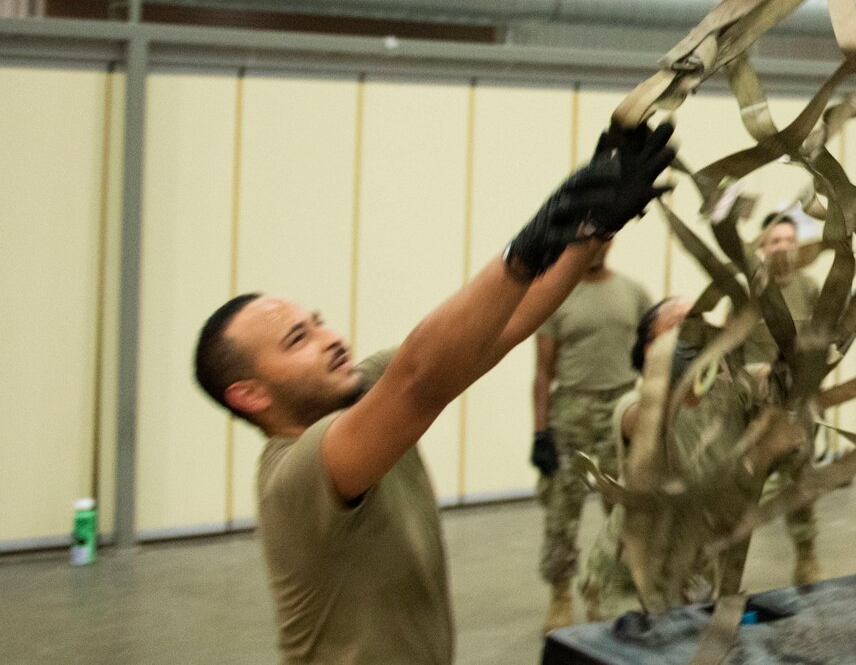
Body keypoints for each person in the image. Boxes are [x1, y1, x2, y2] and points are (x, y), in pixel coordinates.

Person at [191, 119, 676, 665]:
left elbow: (506, 322)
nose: (330, 338)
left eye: (320, 321)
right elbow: (419, 379)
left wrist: (592, 231)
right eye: (298, 338)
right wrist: (524, 251)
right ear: (250, 395)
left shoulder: (366, 390)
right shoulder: (295, 476)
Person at [531, 235, 652, 632]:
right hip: (572, 411)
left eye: (602, 237)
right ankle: (560, 597)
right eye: (586, 238)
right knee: (561, 512)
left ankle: (607, 591)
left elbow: (655, 356)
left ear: (612, 240)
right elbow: (543, 372)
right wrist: (540, 433)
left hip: (621, 410)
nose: (595, 246)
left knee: (624, 509)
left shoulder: (634, 294)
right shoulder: (555, 297)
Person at [578, 295, 691, 620]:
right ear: (650, 349)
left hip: (690, 577)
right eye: (681, 326)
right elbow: (652, 418)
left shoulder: (720, 400)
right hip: (627, 587)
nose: (696, 333)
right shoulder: (630, 405)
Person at [744, 211, 822, 586]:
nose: (783, 248)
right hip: (756, 407)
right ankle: (726, 569)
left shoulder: (810, 289)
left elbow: (828, 342)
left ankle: (806, 557)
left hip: (798, 406)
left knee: (801, 484)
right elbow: (729, 349)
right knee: (741, 488)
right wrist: (756, 373)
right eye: (775, 241)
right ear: (762, 248)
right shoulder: (750, 292)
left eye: (790, 240)